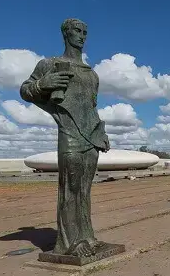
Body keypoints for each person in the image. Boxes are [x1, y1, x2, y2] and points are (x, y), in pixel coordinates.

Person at [20, 18, 110, 257]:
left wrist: (101, 132)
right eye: (77, 31)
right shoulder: (50, 64)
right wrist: (43, 84)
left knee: (85, 190)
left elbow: (92, 107)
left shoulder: (92, 74)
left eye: (85, 32)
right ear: (65, 34)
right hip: (69, 133)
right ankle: (69, 243)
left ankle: (87, 237)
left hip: (91, 136)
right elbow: (25, 90)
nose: (82, 36)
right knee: (70, 188)